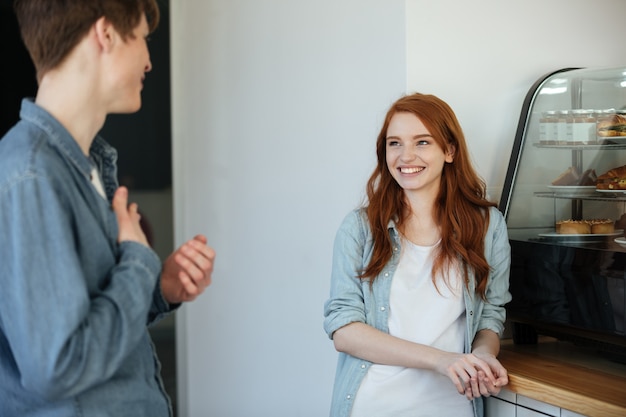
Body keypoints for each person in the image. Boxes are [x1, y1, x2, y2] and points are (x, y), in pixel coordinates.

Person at [0, 1, 216, 416]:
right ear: (106, 35)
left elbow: (83, 317)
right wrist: (137, 263)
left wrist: (157, 288)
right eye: (141, 38)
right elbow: (58, 366)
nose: (150, 61)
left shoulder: (87, 164)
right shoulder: (30, 176)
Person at [323, 93, 511, 417]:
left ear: (449, 150)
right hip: (375, 404)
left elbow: (491, 314)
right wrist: (439, 359)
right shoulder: (359, 228)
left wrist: (483, 355)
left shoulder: (487, 226)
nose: (405, 156)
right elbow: (344, 330)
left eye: (422, 142)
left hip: (453, 405)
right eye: (394, 143)